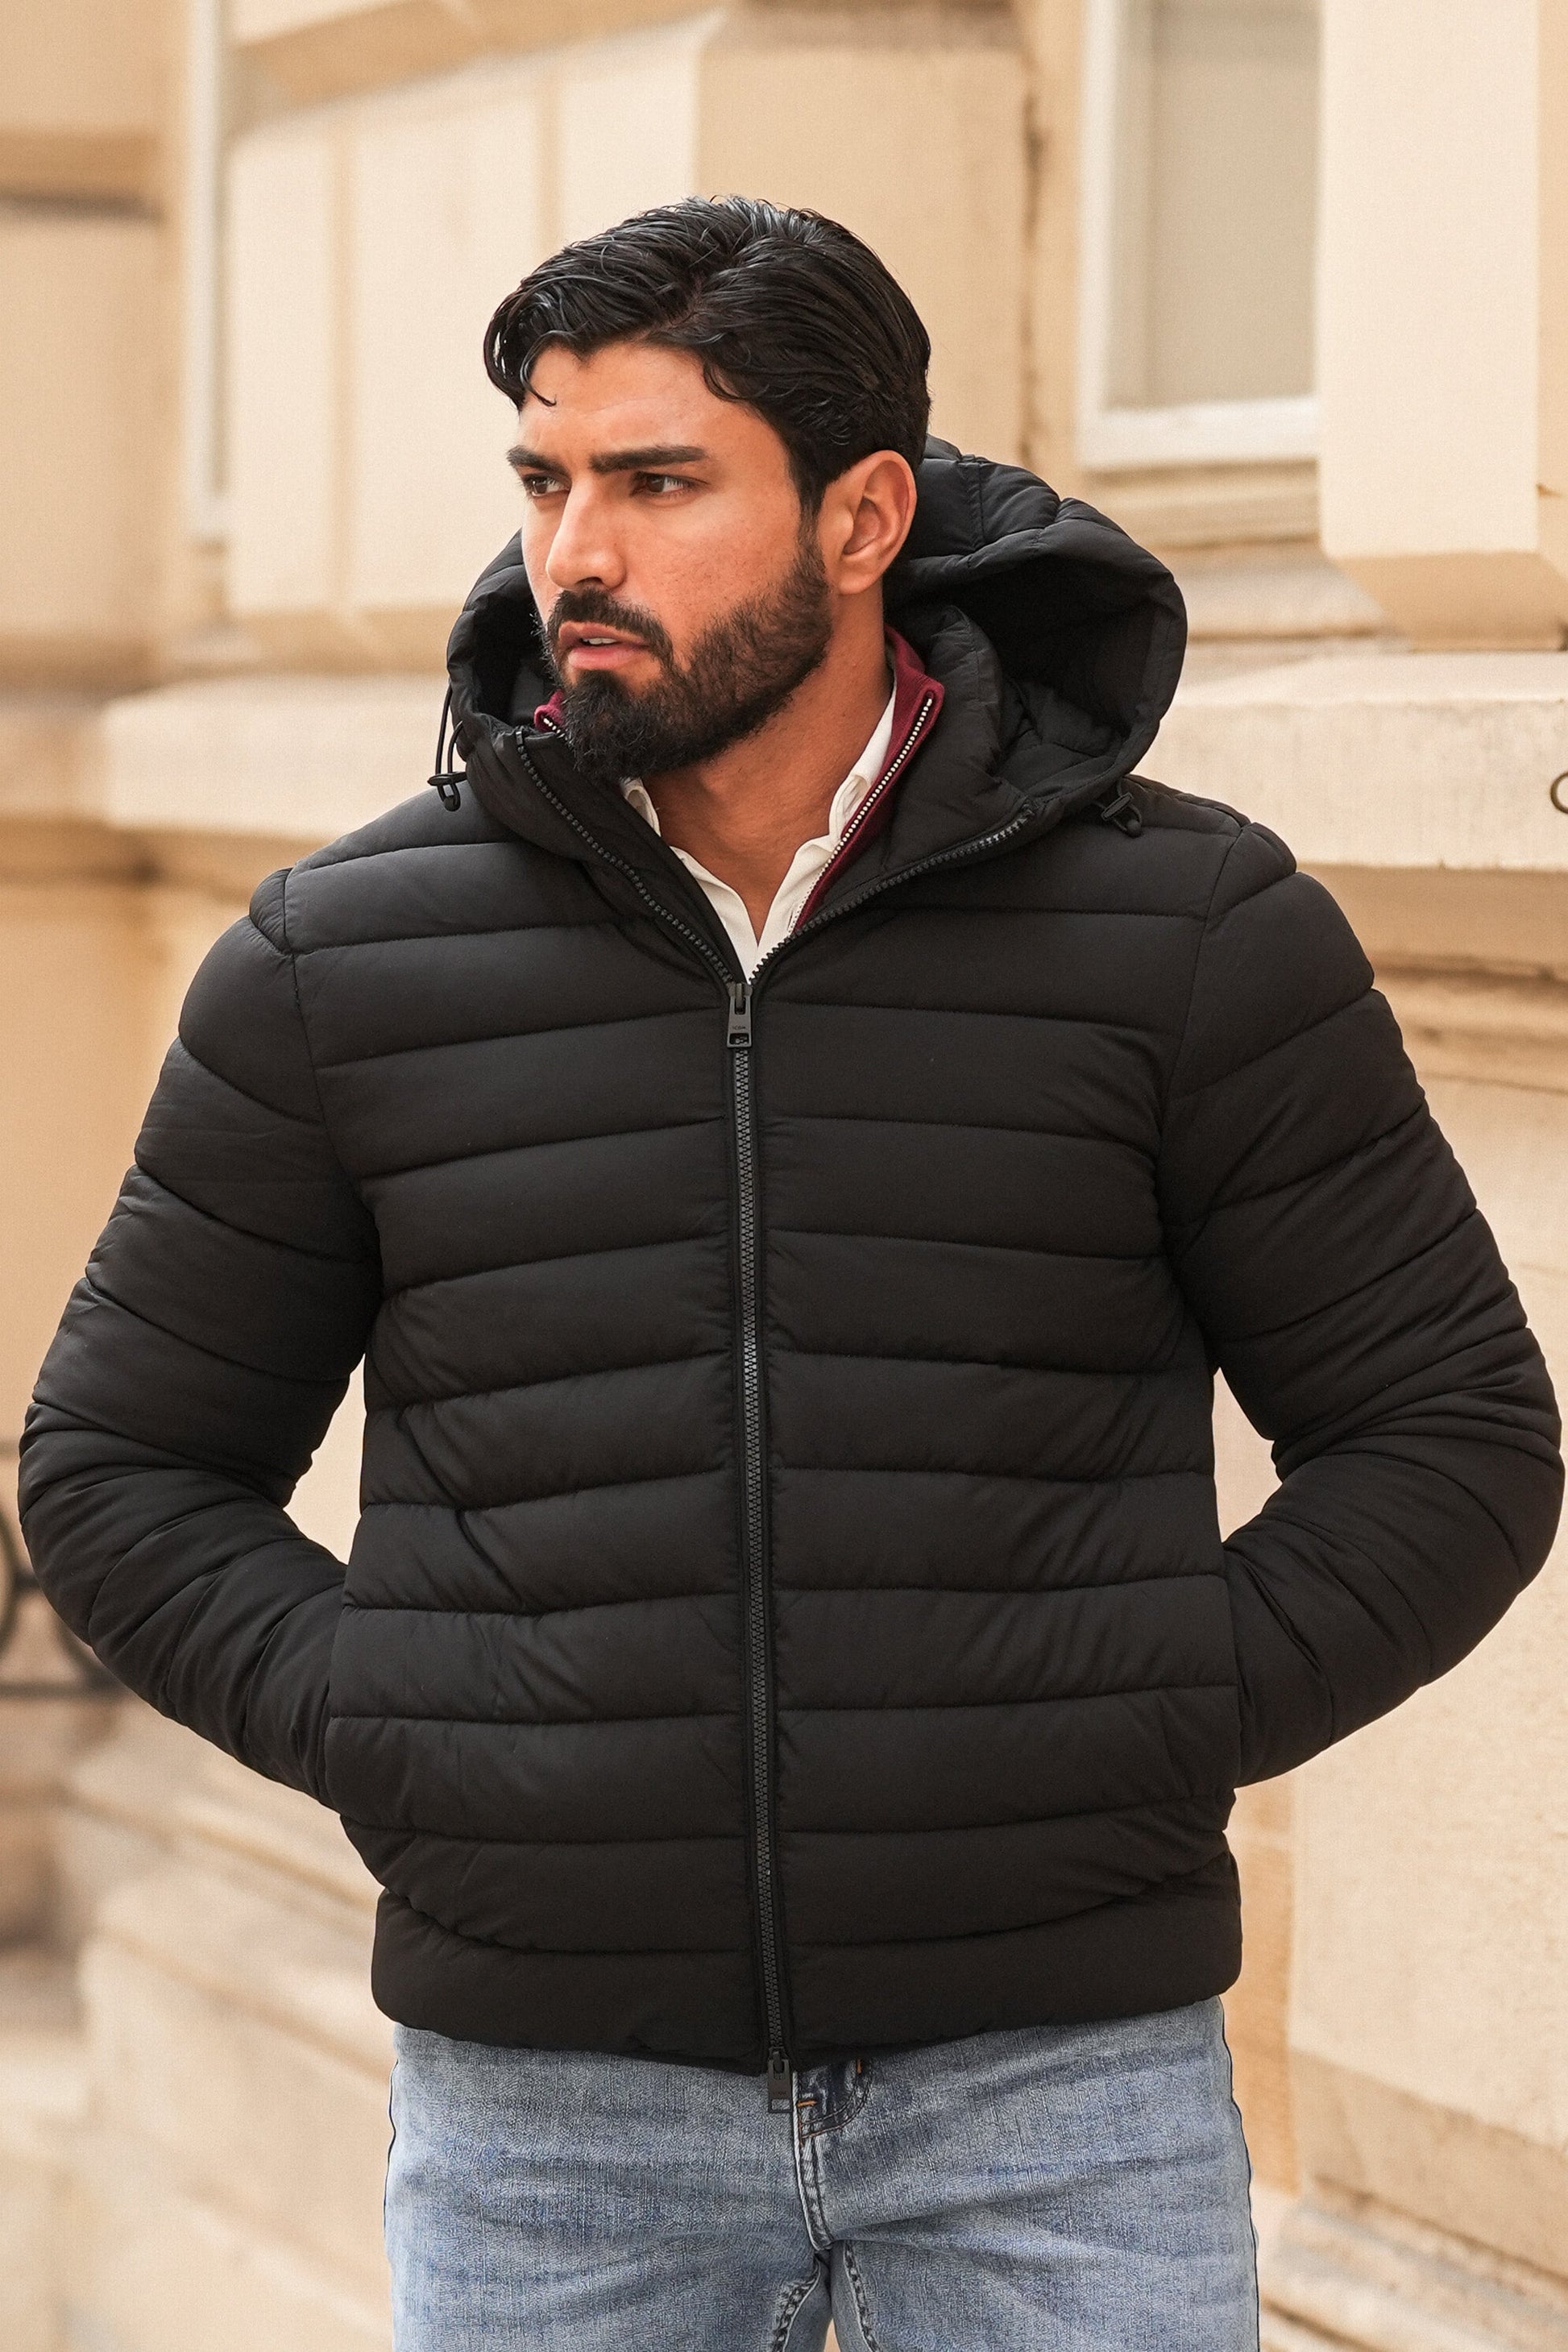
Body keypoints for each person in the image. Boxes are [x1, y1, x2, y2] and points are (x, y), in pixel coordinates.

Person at [19, 197, 1562, 2351]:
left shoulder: (1187, 939)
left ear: (861, 519)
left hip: (1058, 2098)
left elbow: (1450, 1436)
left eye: (659, 484)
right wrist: (405, 1731)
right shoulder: (341, 966)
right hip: (553, 2119)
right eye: (548, 481)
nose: (575, 554)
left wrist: (1143, 1721)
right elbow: (119, 1469)